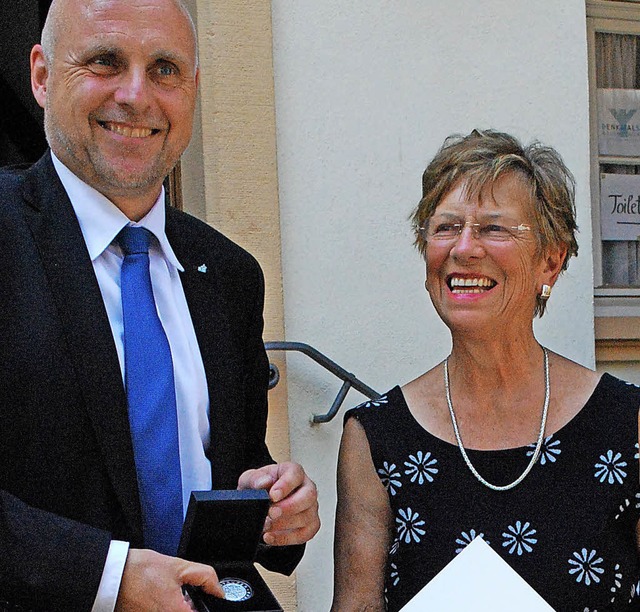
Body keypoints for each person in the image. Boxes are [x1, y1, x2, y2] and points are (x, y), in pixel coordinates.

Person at [0, 0, 320, 610]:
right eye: (104, 61)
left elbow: (232, 465)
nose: (137, 95)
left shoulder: (228, 276)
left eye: (166, 69)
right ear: (41, 76)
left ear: (194, 90)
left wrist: (275, 503)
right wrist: (110, 577)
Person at [331, 129, 640, 611]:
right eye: (446, 227)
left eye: (494, 229)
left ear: (551, 261)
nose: (464, 248)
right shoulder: (376, 437)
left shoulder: (628, 424)